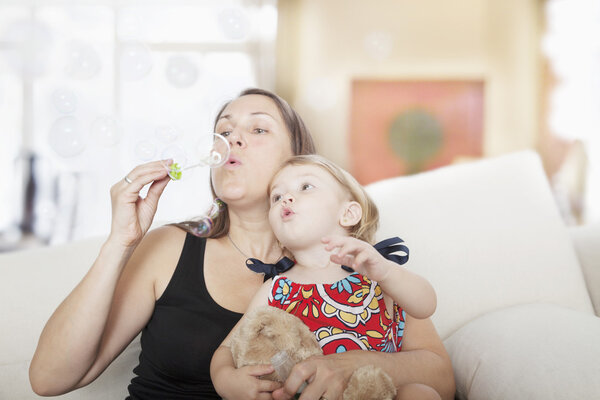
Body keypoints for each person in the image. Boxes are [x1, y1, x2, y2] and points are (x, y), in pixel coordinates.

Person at [29, 88, 454, 399]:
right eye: (223, 131)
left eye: (257, 128)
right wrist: (119, 243)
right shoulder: (169, 248)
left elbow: (438, 376)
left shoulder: (351, 259)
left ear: (298, 159)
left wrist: (350, 364)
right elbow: (50, 379)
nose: (231, 139)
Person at [211, 154, 441, 399]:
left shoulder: (375, 272)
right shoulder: (277, 288)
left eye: (305, 187)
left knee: (421, 393)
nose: (286, 198)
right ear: (277, 234)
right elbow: (227, 348)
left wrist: (386, 272)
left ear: (349, 214)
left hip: (377, 393)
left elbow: (426, 305)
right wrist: (225, 379)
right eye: (276, 197)